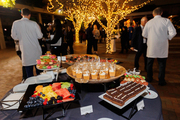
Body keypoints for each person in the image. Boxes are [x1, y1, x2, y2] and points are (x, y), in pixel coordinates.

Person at [142, 7, 177, 86]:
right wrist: (167, 37)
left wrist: (150, 36)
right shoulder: (166, 21)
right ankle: (161, 80)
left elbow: (144, 34)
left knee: (149, 64)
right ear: (161, 13)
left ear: (153, 14)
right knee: (161, 64)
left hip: (151, 46)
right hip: (162, 46)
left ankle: (149, 78)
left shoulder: (149, 22)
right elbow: (173, 32)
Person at [11, 8, 43, 78]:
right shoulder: (34, 24)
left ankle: (31, 87)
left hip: (25, 52)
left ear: (21, 14)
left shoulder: (16, 23)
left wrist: (21, 38)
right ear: (29, 15)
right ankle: (40, 87)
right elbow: (40, 36)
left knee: (29, 75)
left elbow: (14, 36)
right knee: (40, 74)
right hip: (36, 51)